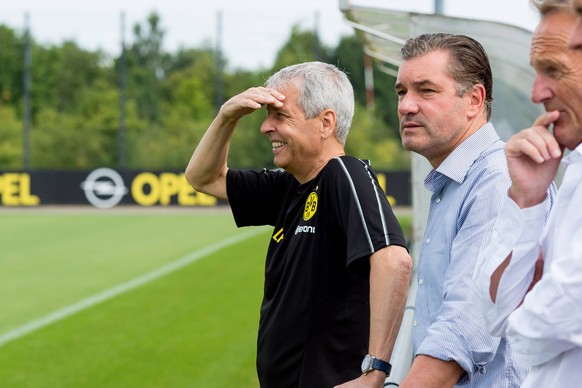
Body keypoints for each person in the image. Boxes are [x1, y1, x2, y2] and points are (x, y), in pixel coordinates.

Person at [185, 61, 412, 388]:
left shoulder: (343, 174)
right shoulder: (289, 185)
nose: (266, 127)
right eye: (266, 115)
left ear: (325, 122)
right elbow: (203, 178)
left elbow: (395, 261)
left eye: (280, 115)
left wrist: (374, 372)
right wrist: (226, 117)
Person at [394, 33, 526, 387]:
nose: (406, 105)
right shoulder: (455, 181)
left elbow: (462, 331)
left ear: (474, 99)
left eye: (426, 90)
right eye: (402, 91)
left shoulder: (495, 182)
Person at [473, 0, 582, 386]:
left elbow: (556, 317)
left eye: (553, 70)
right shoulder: (568, 172)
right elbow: (494, 313)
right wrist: (526, 198)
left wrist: (524, 314)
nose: (537, 94)